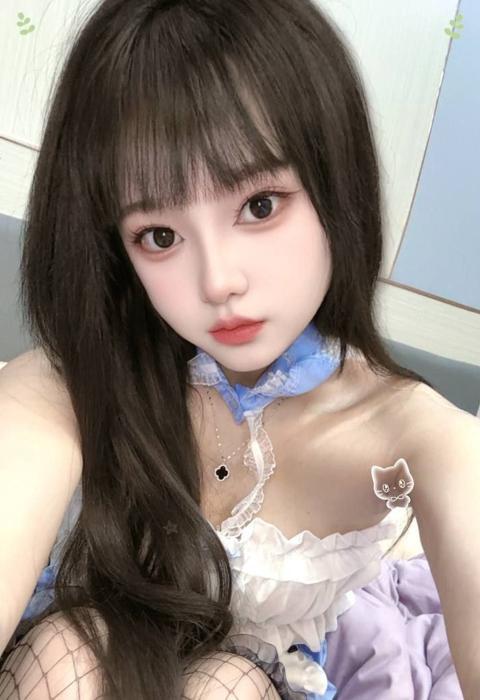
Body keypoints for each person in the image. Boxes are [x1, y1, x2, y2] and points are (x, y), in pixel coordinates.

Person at [0, 0, 479, 698]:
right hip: (81, 649)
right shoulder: (74, 380)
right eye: (160, 236)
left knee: (229, 683)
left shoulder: (413, 437)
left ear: (335, 182)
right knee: (68, 651)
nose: (218, 281)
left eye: (259, 205)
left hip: (254, 679)